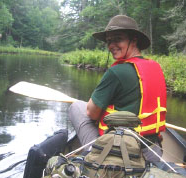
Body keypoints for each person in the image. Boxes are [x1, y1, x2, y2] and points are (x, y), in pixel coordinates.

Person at [69, 15, 167, 162]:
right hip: (155, 152)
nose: (111, 45)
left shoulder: (117, 72)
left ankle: (92, 156)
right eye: (109, 41)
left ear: (134, 40)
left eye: (117, 39)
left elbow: (92, 113)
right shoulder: (155, 67)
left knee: (77, 106)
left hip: (121, 156)